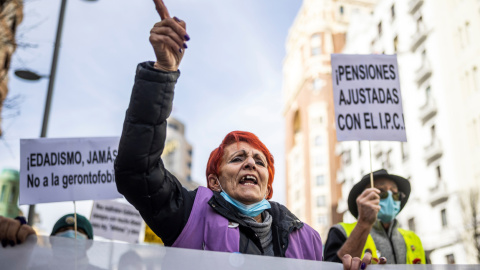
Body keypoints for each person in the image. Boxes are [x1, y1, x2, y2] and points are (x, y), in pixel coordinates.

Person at [115, 1, 374, 269]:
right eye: (238, 158)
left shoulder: (306, 238)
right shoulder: (189, 214)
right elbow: (136, 171)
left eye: (259, 162)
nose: (250, 163)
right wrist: (162, 74)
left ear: (267, 186)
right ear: (215, 182)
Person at [324, 169, 426, 264]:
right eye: (381, 192)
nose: (390, 198)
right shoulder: (341, 231)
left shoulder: (414, 238)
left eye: (395, 194)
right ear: (361, 199)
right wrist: (364, 223)